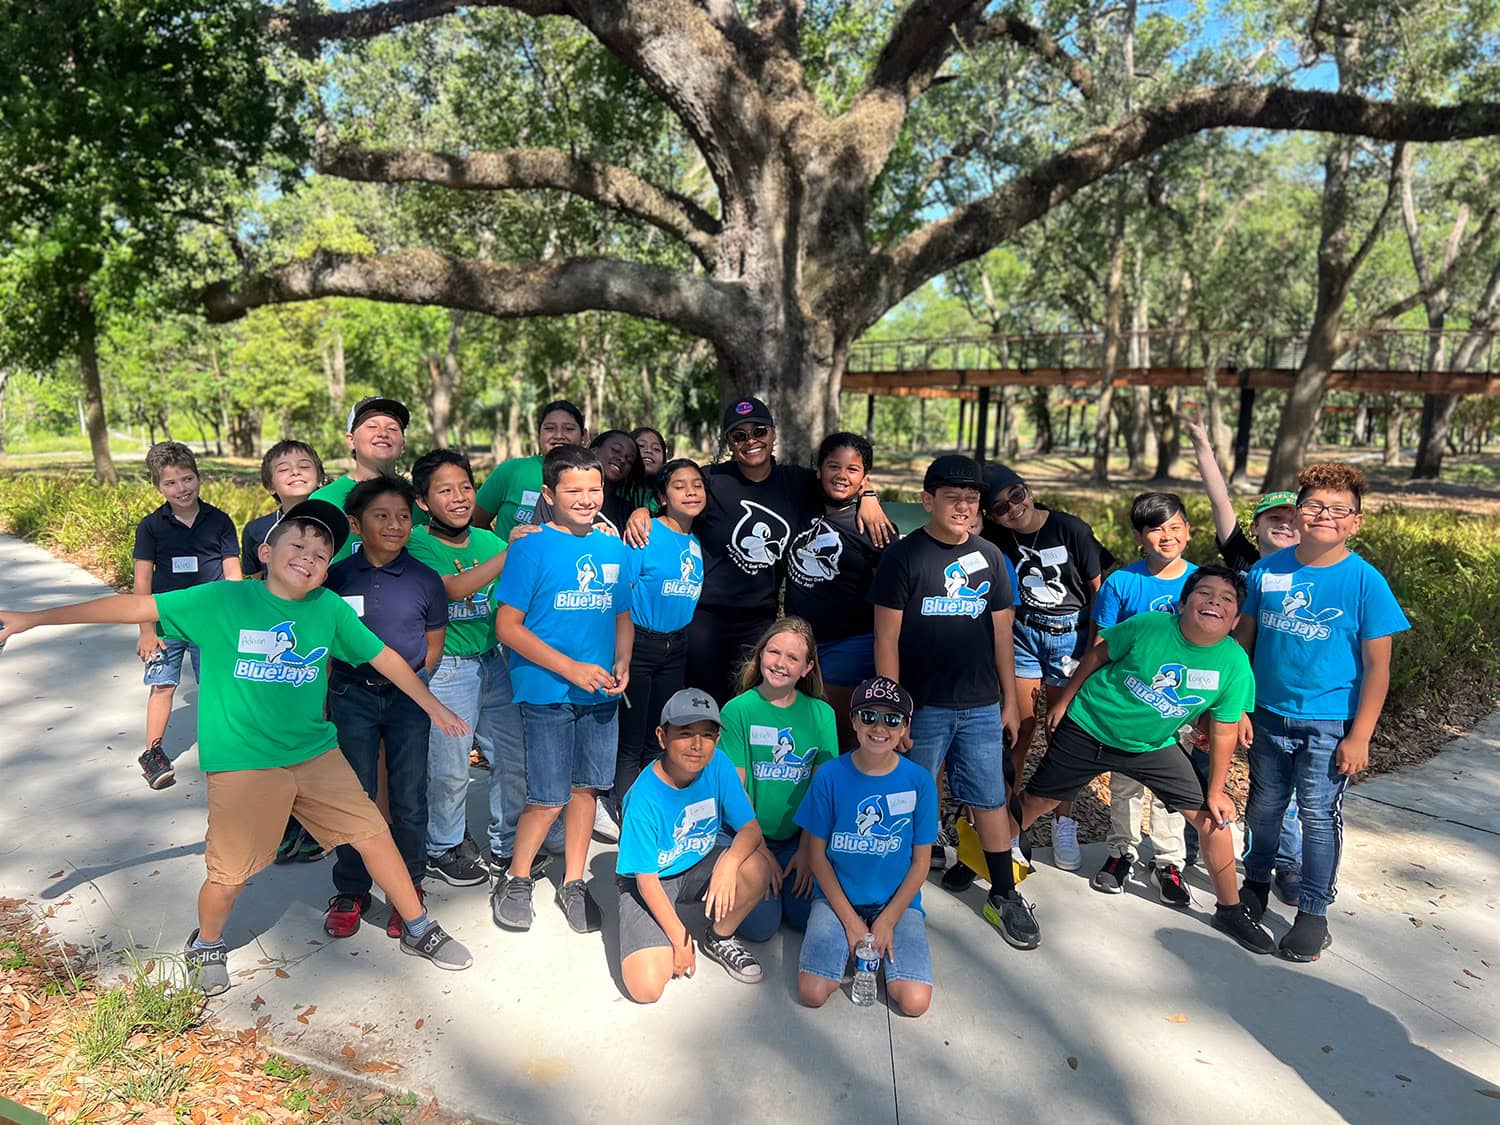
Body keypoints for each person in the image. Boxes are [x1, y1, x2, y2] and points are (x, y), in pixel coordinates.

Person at [0, 499, 475, 994]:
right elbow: (133, 606)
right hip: (244, 765)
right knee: (229, 874)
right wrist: (33, 618)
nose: (308, 557)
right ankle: (207, 942)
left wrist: (430, 705)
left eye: (320, 553)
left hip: (314, 753)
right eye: (298, 544)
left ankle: (419, 925)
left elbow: (385, 658)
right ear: (266, 552)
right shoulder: (222, 601)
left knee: (375, 833)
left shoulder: (328, 609)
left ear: (327, 570)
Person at [1010, 566, 1275, 955]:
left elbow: (1223, 728)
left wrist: (1217, 790)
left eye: (1227, 599)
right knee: (1039, 801)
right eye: (1204, 593)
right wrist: (1065, 701)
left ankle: (1230, 909)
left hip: (1152, 744)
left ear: (1236, 619)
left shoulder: (1234, 663)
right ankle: (986, 853)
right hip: (1091, 725)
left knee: (1212, 818)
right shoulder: (1150, 625)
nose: (1214, 601)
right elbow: (1099, 653)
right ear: (1182, 603)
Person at [1236, 463, 1409, 962]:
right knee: (1265, 809)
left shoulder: (1365, 583)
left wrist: (1361, 737)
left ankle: (1313, 912)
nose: (1324, 516)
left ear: (1355, 521)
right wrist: (1238, 706)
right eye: (1313, 505)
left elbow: (1378, 668)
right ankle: (1255, 887)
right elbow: (1244, 643)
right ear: (1299, 511)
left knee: (1316, 814)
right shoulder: (1267, 571)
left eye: (1338, 509)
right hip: (1268, 715)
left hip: (1330, 725)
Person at [624, 397, 893, 705]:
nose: (750, 441)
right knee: (703, 702)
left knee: (750, 705)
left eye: (759, 431)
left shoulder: (796, 482)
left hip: (758, 621)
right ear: (729, 443)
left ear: (773, 434)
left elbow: (840, 476)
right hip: (706, 618)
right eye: (739, 435)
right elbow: (674, 489)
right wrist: (642, 512)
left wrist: (869, 494)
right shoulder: (712, 480)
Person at [871, 454, 1034, 949]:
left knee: (988, 796)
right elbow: (886, 639)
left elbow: (1003, 635)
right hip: (923, 706)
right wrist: (893, 712)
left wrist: (1009, 701)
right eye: (951, 497)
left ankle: (1004, 893)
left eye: (971, 499)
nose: (963, 507)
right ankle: (888, 891)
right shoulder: (905, 557)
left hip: (982, 704)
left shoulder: (989, 556)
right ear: (928, 501)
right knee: (911, 795)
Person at [491, 444, 634, 935]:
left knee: (585, 789)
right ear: (549, 495)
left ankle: (574, 881)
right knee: (549, 796)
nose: (586, 498)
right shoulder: (531, 547)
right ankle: (516, 876)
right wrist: (572, 669)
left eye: (594, 489)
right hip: (548, 689)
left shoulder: (612, 547)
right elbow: (508, 626)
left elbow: (621, 614)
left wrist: (623, 659)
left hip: (601, 693)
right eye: (573, 489)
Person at [407, 450, 555, 886]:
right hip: (447, 671)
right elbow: (448, 590)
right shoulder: (418, 542)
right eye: (445, 490)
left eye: (466, 487)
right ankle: (443, 846)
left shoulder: (489, 542)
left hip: (493, 664)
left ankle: (506, 843)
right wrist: (508, 554)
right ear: (423, 501)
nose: (459, 498)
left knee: (512, 757)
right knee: (450, 767)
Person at [321, 476, 449, 940]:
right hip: (350, 696)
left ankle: (408, 888)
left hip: (407, 700)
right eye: (382, 516)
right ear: (356, 524)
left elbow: (433, 644)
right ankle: (352, 888)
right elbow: (325, 644)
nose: (395, 525)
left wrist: (414, 687)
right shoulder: (335, 578)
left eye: (403, 516)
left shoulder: (424, 579)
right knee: (353, 796)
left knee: (410, 796)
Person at [1184, 414, 1303, 900]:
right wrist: (1203, 445)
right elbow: (1219, 499)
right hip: (1222, 687)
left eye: (1293, 520)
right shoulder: (1243, 562)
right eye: (1274, 519)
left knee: (1278, 789)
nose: (1284, 526)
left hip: (1279, 695)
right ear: (1255, 528)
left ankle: (1285, 862)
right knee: (1202, 765)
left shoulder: (1312, 567)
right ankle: (1196, 843)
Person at [976, 462, 1110, 872]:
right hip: (1024, 635)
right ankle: (1009, 824)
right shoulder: (998, 538)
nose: (1012, 509)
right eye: (999, 507)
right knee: (1017, 731)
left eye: (1016, 496)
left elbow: (1099, 594)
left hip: (1071, 635)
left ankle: (1063, 820)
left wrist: (1094, 653)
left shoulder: (1070, 529)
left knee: (1062, 733)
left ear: (1027, 489)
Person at [614, 688, 772, 1003]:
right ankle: (663, 930)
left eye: (708, 735)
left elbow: (750, 828)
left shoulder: (718, 765)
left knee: (755, 869)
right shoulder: (644, 797)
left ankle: (719, 937)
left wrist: (728, 864)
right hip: (652, 878)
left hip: (698, 860)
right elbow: (645, 879)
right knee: (646, 989)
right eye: (685, 734)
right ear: (662, 736)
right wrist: (680, 939)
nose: (697, 745)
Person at [796, 676, 937, 1017]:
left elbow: (921, 864)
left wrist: (887, 921)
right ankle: (850, 946)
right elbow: (817, 854)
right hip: (836, 900)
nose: (879, 727)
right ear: (854, 721)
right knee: (813, 993)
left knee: (915, 1002)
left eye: (892, 720)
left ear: (904, 727)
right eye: (869, 716)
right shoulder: (829, 776)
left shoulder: (919, 782)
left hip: (895, 903)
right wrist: (851, 923)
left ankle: (880, 951)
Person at [1090, 491, 1198, 905]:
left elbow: (1218, 647)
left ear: (1188, 531)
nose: (1166, 536)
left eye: (1175, 527)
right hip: (1131, 701)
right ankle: (1121, 852)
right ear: (1139, 536)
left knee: (1173, 787)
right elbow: (1103, 641)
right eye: (1156, 529)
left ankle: (1169, 863)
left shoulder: (1203, 582)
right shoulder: (1122, 582)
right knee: (1126, 783)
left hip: (1182, 704)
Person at [719, 617, 837, 942]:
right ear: (760, 656)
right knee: (761, 928)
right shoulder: (737, 710)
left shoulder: (821, 714)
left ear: (807, 668)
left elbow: (822, 789)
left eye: (792, 658)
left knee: (802, 917)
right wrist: (759, 849)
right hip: (746, 834)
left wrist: (808, 849)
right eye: (774, 652)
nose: (780, 664)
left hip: (797, 838)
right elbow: (735, 792)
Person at [132, 441, 241, 790]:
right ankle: (153, 752)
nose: (182, 488)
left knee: (216, 685)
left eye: (188, 478)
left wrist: (237, 621)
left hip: (211, 623)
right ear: (158, 487)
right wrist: (146, 630)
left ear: (198, 476)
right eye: (171, 483)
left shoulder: (219, 522)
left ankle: (222, 746)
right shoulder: (151, 527)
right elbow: (142, 582)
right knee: (162, 685)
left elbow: (233, 574)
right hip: (167, 622)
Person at [615, 458, 707, 815]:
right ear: (663, 497)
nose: (690, 491)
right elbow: (620, 593)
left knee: (661, 735)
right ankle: (626, 814)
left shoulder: (696, 541)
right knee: (632, 741)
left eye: (697, 484)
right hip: (640, 644)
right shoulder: (646, 533)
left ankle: (651, 807)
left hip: (676, 647)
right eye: (679, 485)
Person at [785, 432, 886, 747]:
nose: (841, 476)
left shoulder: (871, 525)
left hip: (848, 643)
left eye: (852, 470)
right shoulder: (803, 504)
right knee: (800, 731)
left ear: (864, 477)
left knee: (834, 735)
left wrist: (868, 498)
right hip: (800, 641)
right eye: (833, 466)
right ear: (818, 470)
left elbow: (893, 591)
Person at [313, 396, 426, 563]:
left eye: (393, 429)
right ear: (351, 440)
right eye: (372, 426)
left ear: (403, 444)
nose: (383, 433)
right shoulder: (324, 501)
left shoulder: (422, 499)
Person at [473, 399, 586, 538]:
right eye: (550, 428)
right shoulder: (511, 471)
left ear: (583, 436)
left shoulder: (591, 477)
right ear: (539, 434)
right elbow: (475, 521)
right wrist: (501, 551)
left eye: (569, 429)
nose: (558, 436)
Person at [241, 441, 325, 579]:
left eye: (304, 466)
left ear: (320, 478)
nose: (296, 472)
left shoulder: (337, 523)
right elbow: (256, 581)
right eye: (284, 469)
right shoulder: (255, 530)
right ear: (270, 486)